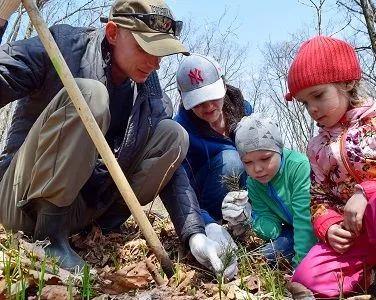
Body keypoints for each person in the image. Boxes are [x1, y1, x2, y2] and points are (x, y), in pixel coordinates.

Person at [0, 0, 238, 279]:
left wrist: (194, 233)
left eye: (161, 52)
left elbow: (172, 172)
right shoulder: (61, 46)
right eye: (144, 48)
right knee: (90, 96)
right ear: (113, 33)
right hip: (21, 198)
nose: (155, 63)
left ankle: (104, 228)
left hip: (84, 211)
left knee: (174, 135)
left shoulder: (150, 91)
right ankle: (49, 237)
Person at [285, 36, 376, 299]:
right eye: (304, 103)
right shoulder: (317, 147)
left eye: (318, 95)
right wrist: (328, 226)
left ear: (347, 83)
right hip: (359, 236)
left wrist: (367, 191)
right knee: (306, 278)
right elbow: (318, 197)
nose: (312, 108)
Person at [220, 113, 316, 269]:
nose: (257, 169)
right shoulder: (253, 182)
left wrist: (300, 268)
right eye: (248, 162)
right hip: (292, 229)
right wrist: (250, 218)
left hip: (317, 225)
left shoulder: (298, 166)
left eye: (265, 158)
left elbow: (305, 219)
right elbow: (273, 230)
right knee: (269, 254)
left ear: (278, 149)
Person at [174, 53, 252, 226]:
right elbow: (182, 190)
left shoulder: (244, 110)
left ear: (223, 86)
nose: (209, 107)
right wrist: (206, 224)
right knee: (232, 159)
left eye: (213, 97)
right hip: (205, 200)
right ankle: (217, 222)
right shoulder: (180, 131)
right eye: (199, 102)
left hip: (245, 193)